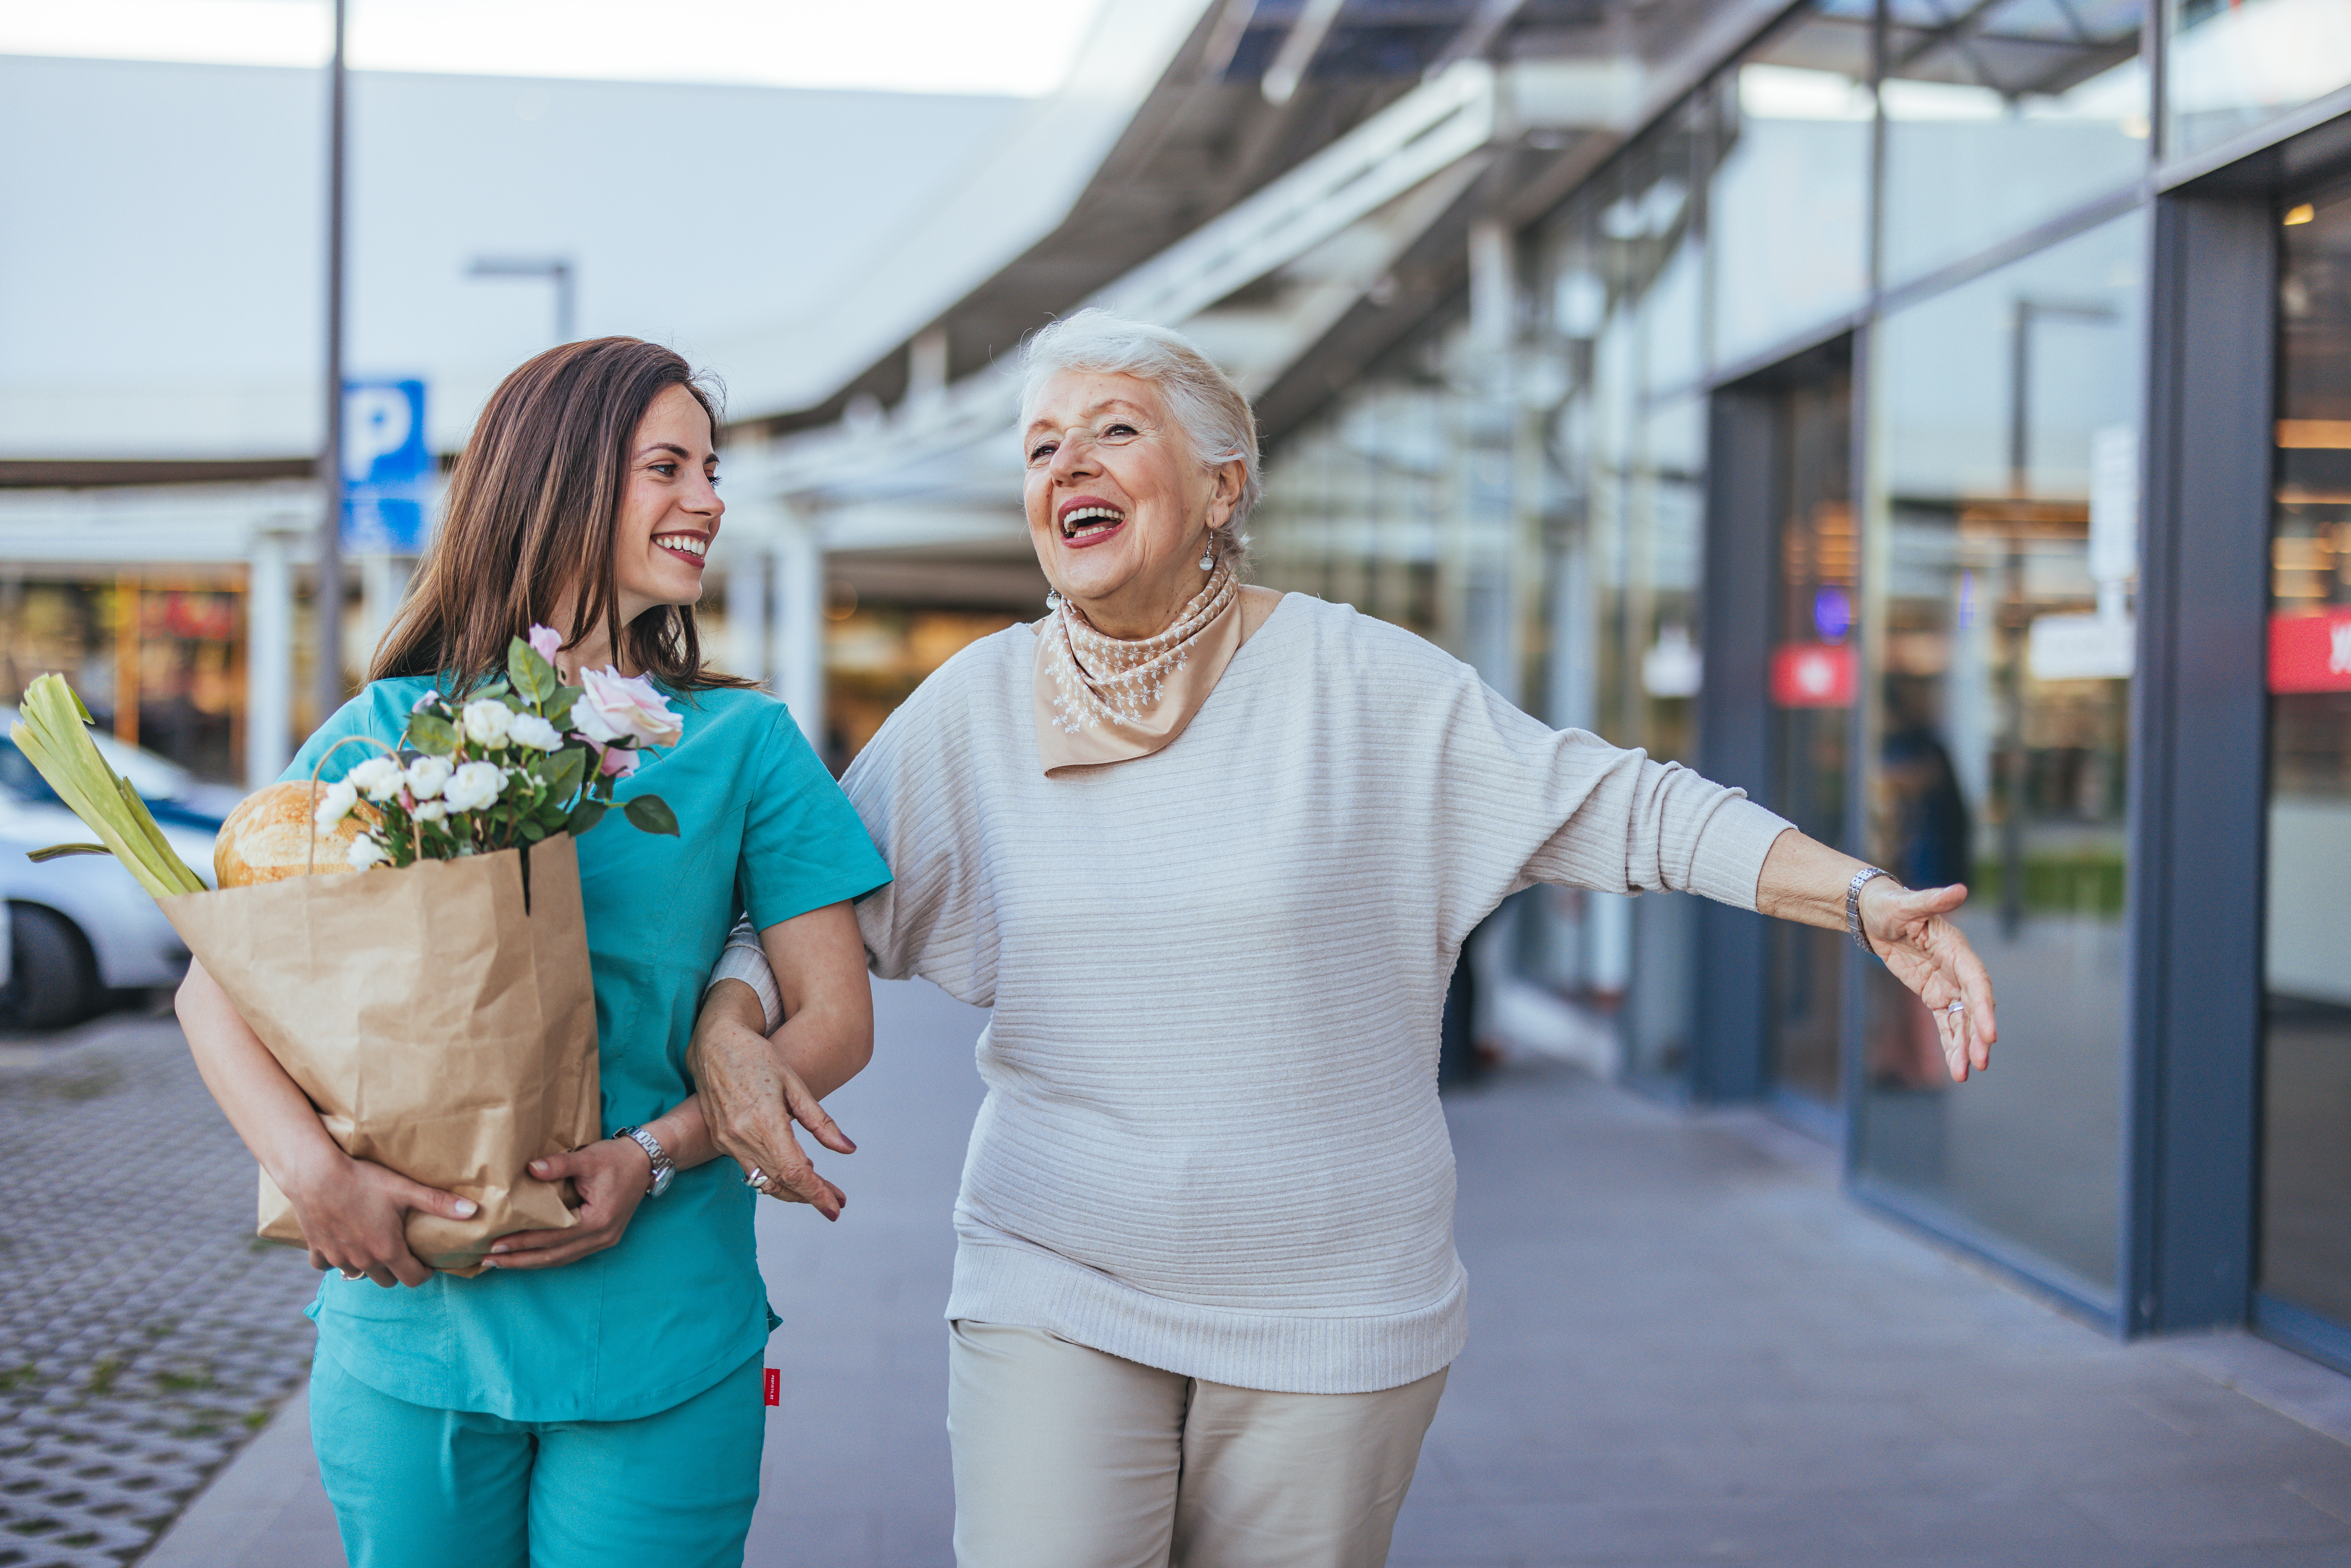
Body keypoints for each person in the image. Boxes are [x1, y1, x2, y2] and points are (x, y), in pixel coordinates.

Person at [691, 310, 1999, 1568]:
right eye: (1040, 447)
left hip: (1330, 1297)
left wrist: (1857, 896)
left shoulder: (1354, 677)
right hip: (1057, 1264)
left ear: (1220, 487)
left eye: (1111, 431)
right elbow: (807, 906)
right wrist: (732, 1019)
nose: (1067, 466)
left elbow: (1614, 802)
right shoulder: (974, 704)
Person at [175, 338, 890, 1568]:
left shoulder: (747, 743)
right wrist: (315, 1177)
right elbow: (219, 982)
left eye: (711, 470)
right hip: (410, 1318)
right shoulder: (387, 728)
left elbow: (834, 1017)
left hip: (662, 1323)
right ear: (557, 481)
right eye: (668, 467)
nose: (709, 501)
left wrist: (654, 1156)